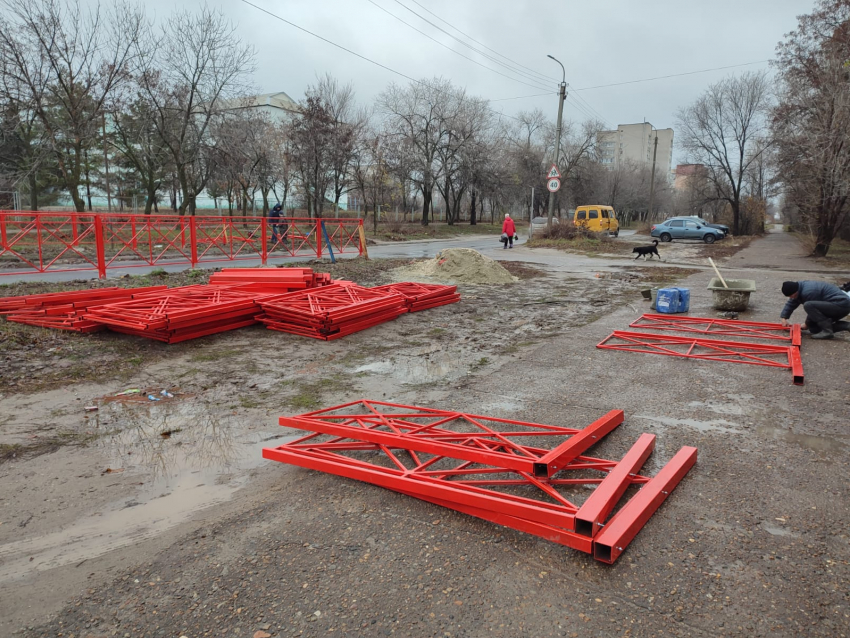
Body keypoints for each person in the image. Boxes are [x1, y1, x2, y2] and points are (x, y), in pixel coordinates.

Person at [779, 280, 850, 340]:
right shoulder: (798, 289)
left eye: (791, 295)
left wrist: (806, 324)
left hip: (841, 305)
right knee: (814, 329)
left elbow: (813, 310)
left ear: (796, 291)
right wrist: (784, 318)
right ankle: (846, 326)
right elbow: (791, 303)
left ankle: (827, 331)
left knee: (808, 305)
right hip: (833, 305)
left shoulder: (809, 291)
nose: (791, 297)